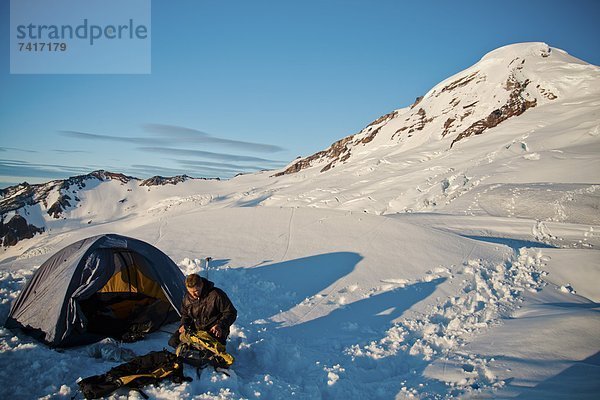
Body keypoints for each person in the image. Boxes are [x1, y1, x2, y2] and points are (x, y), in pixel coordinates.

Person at [169, 273, 237, 348]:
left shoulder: (216, 295)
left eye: (196, 291)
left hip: (213, 329)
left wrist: (220, 325)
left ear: (201, 285)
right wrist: (184, 324)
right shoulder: (187, 298)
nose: (193, 294)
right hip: (196, 328)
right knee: (174, 341)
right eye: (190, 291)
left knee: (207, 348)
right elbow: (185, 315)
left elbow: (231, 312)